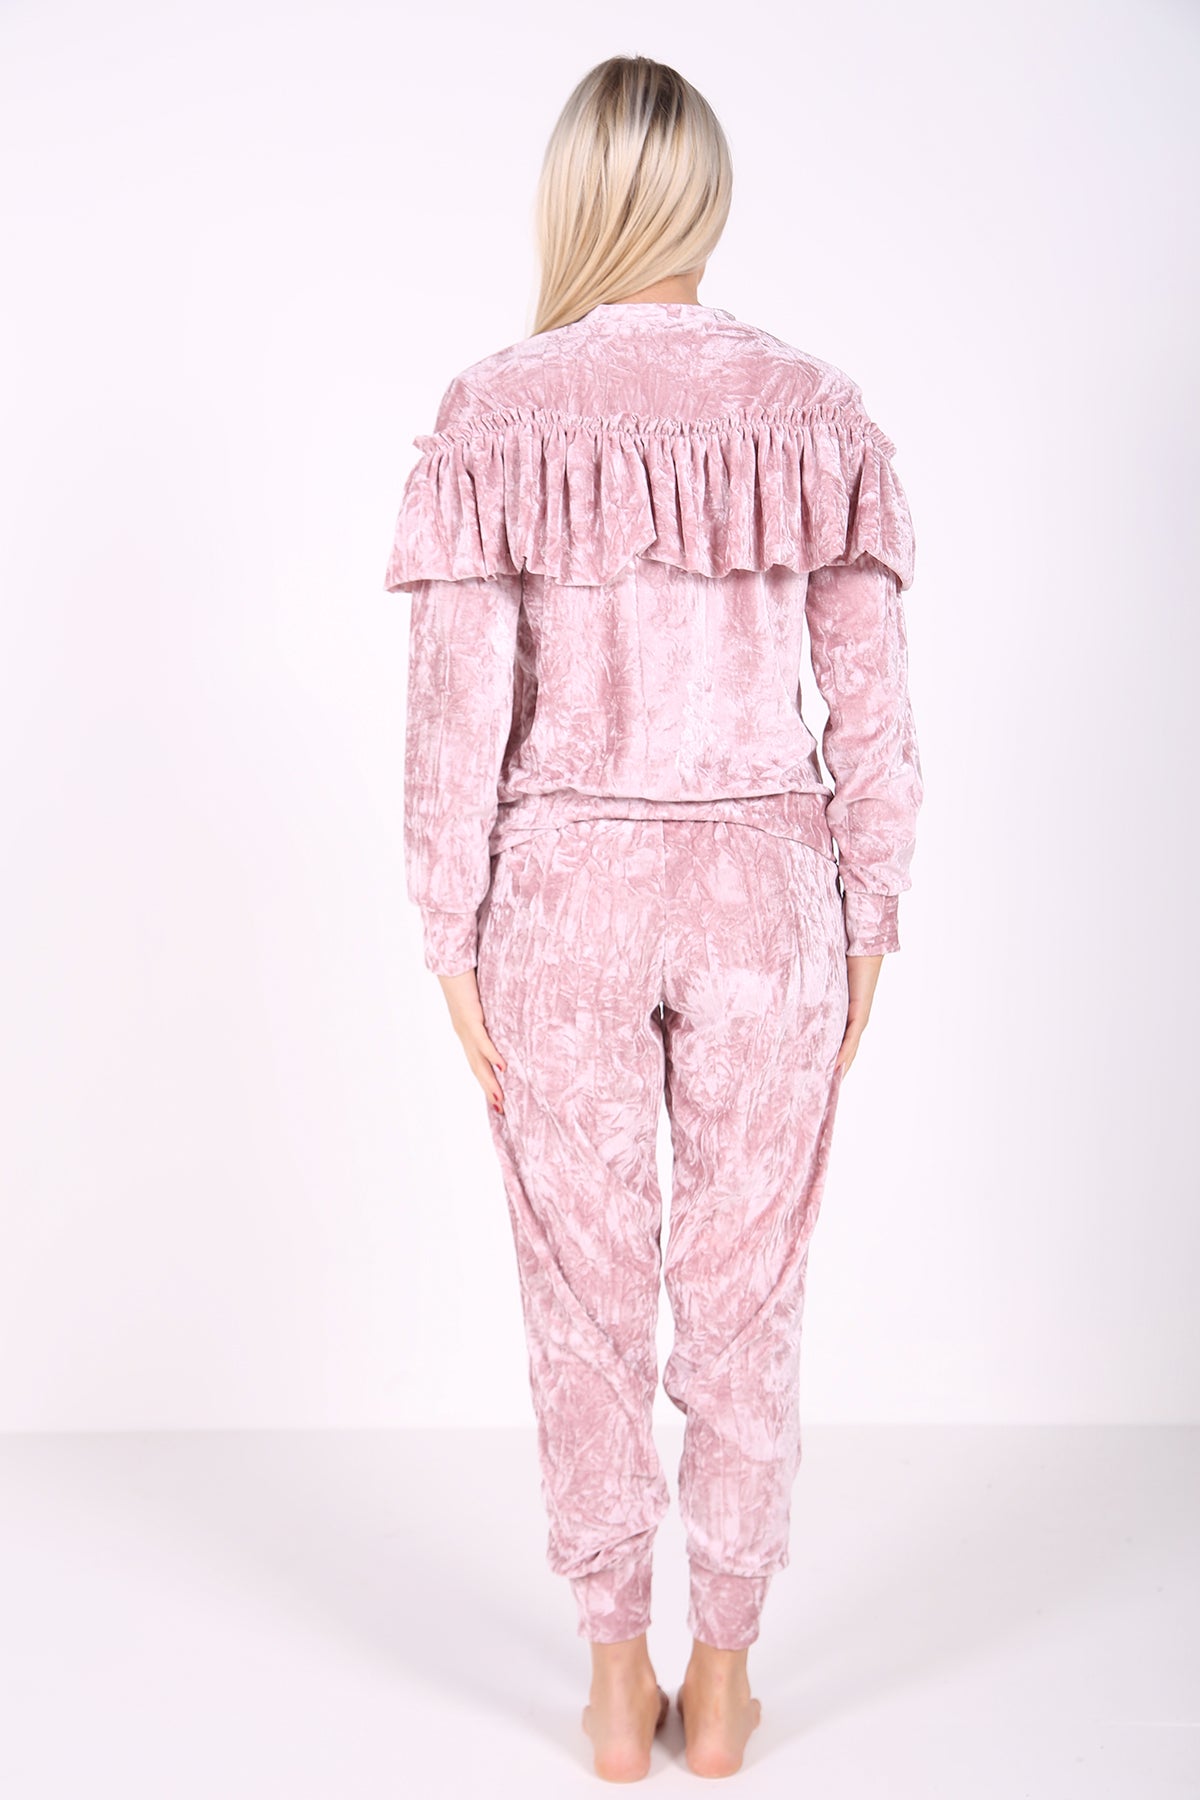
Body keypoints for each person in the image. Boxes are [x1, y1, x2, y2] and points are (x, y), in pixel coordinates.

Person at [383, 54, 923, 1784]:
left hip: (561, 901)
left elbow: (456, 709)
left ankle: (617, 1684)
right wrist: (871, 910)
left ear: (576, 194)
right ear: (706, 194)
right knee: (751, 1291)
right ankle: (727, 1678)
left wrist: (448, 927)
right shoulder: (813, 407)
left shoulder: (495, 412)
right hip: (770, 893)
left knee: (584, 1297)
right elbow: (870, 701)